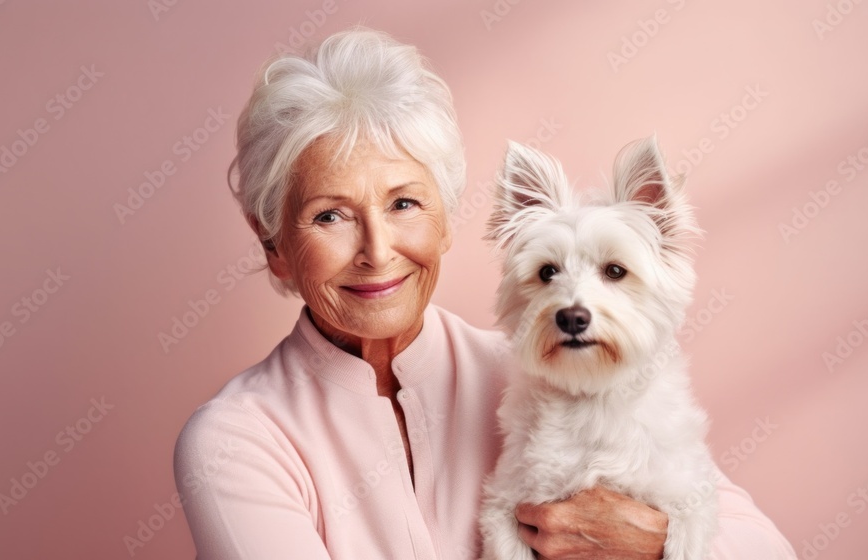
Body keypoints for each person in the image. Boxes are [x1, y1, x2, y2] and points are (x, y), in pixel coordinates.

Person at [173, 27, 797, 559]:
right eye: (330, 215)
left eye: (404, 203)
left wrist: (655, 543)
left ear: (446, 222)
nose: (378, 249)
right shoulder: (237, 441)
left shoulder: (545, 370)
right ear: (273, 242)